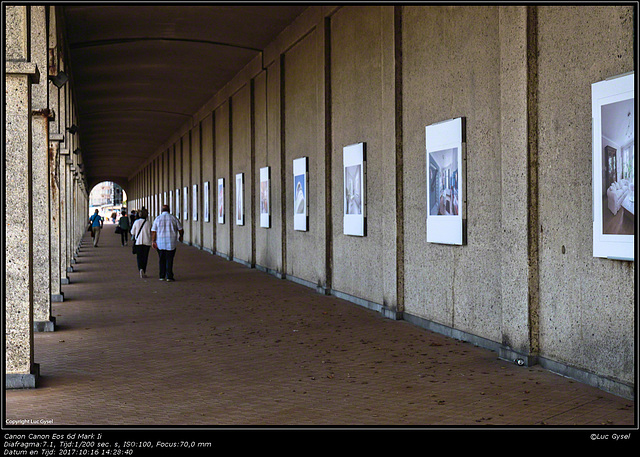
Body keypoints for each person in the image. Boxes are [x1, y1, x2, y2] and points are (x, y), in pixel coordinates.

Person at [151, 204, 184, 281]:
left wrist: (153, 241)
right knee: (169, 259)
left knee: (161, 259)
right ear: (169, 210)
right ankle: (169, 276)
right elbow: (180, 229)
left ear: (161, 210)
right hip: (171, 243)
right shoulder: (173, 218)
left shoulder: (157, 219)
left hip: (160, 243)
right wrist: (181, 236)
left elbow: (153, 231)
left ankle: (162, 276)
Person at [130, 208, 152, 278]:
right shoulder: (149, 223)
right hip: (147, 242)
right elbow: (151, 233)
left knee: (139, 257)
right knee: (145, 257)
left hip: (138, 242)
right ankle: (144, 270)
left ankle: (140, 269)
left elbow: (132, 232)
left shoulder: (136, 222)